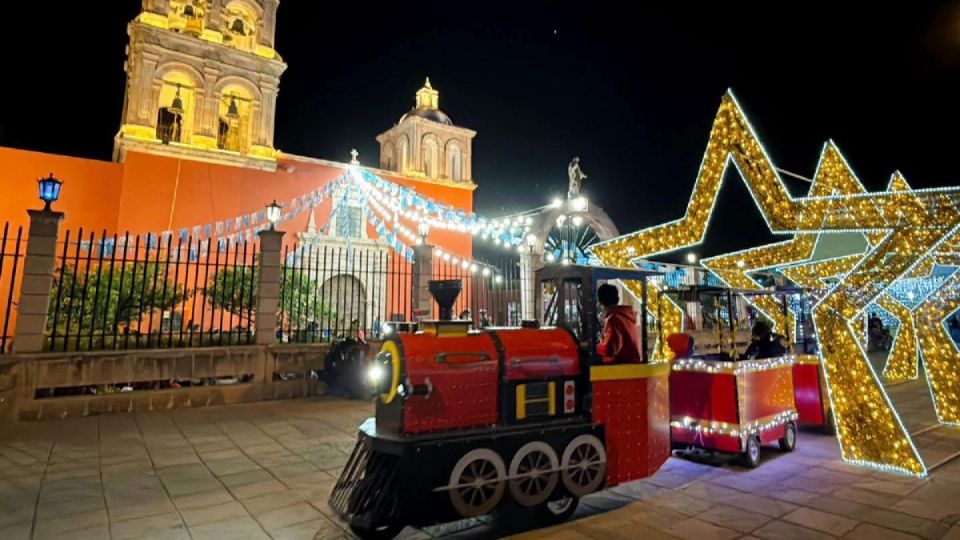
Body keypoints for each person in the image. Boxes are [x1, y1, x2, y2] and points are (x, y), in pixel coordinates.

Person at [596, 283, 642, 364]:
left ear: (600, 302)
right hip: (630, 364)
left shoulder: (613, 319)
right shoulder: (625, 315)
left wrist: (594, 347)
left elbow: (610, 349)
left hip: (621, 365)